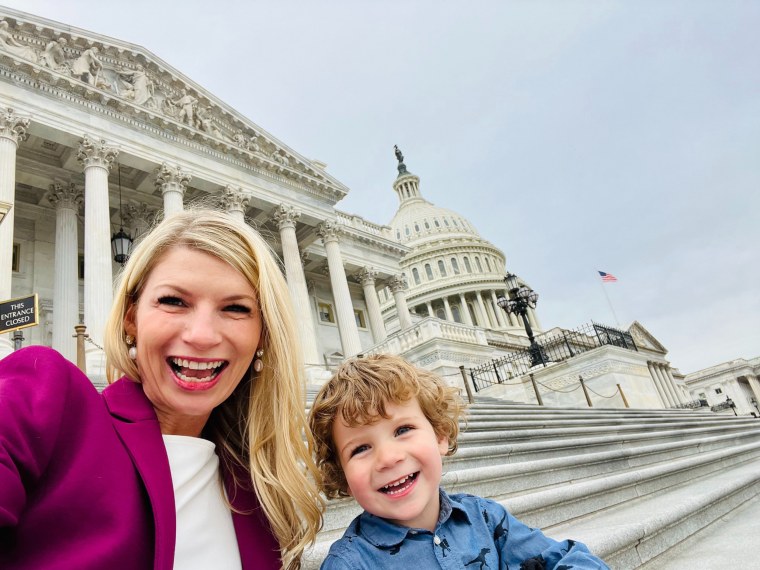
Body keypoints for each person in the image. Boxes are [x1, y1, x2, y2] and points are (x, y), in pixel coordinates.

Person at [0, 208, 324, 569]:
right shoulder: (47, 397)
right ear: (130, 319)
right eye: (173, 301)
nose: (201, 336)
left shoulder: (261, 492)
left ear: (262, 335)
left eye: (235, 308)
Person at [309, 355, 610, 569]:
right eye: (360, 448)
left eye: (403, 430)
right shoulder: (350, 564)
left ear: (440, 435)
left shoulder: (484, 517)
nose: (389, 458)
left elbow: (563, 557)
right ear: (342, 475)